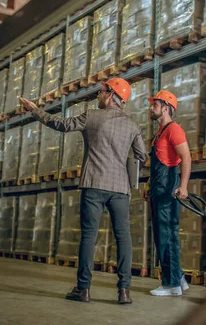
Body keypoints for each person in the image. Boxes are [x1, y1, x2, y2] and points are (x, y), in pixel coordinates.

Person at [19, 78, 147, 305]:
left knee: (89, 236)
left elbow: (61, 124)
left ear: (110, 95)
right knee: (123, 238)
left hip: (94, 184)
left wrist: (35, 111)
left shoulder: (92, 116)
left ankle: (83, 289)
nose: (98, 95)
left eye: (101, 92)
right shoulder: (133, 125)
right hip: (120, 189)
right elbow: (141, 157)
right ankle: (124, 291)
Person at [144, 90, 192, 297]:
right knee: (164, 234)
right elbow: (157, 164)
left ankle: (171, 284)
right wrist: (148, 185)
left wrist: (184, 186)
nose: (151, 108)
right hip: (158, 187)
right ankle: (178, 277)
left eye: (154, 104)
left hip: (168, 189)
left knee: (166, 235)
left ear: (165, 107)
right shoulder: (160, 132)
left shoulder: (174, 130)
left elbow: (186, 158)